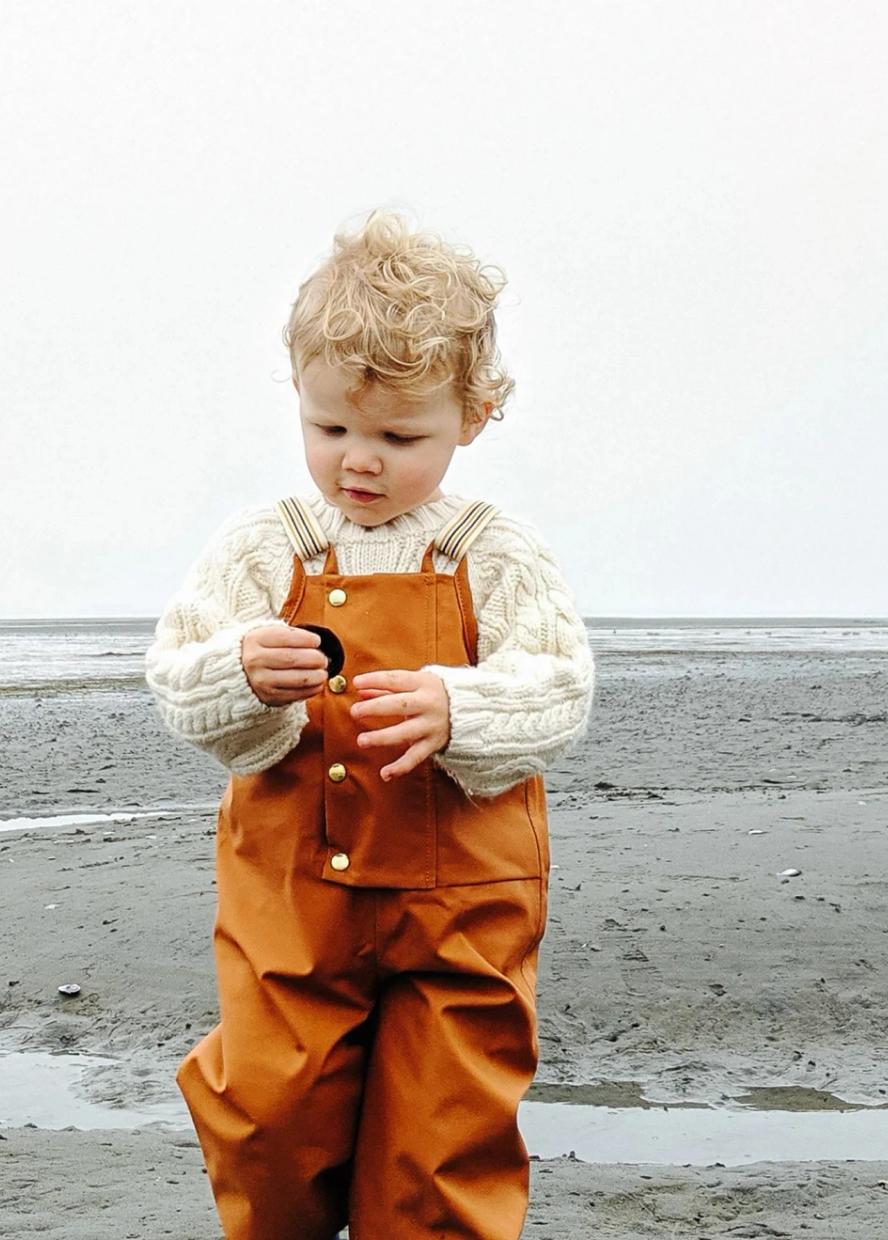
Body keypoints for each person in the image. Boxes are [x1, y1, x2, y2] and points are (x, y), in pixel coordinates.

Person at [144, 208, 595, 1239]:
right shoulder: (265, 544)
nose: (359, 460)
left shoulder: (495, 549)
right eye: (330, 428)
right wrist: (241, 674)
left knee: (439, 1148)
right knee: (268, 1123)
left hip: (460, 906)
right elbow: (177, 678)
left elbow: (559, 686)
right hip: (290, 900)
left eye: (399, 437)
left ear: (471, 416)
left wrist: (459, 704)